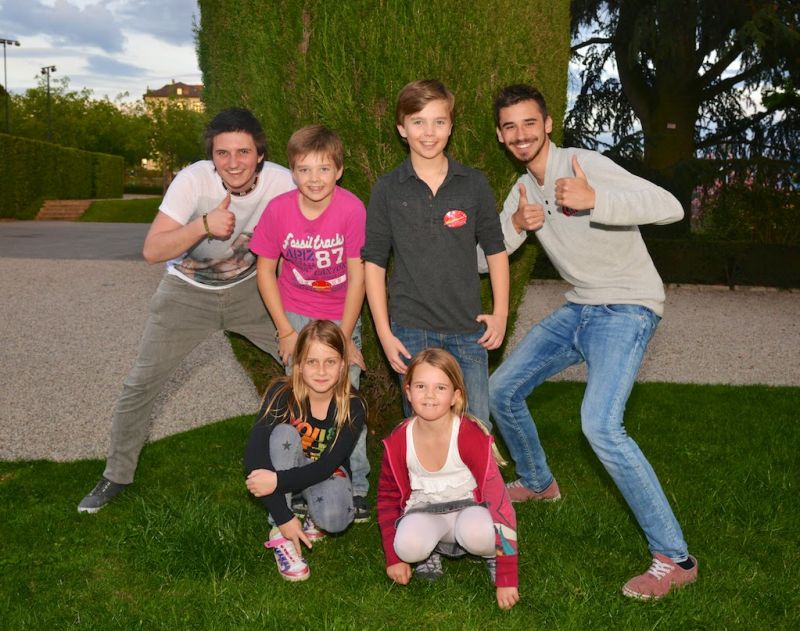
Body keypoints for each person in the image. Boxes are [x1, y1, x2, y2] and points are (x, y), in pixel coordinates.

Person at [485, 84, 697, 599]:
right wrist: (515, 224)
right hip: (579, 307)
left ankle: (676, 558)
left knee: (600, 425)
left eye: (529, 123)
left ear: (547, 124)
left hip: (627, 307)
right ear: (500, 136)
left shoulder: (584, 164)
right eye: (510, 126)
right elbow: (484, 257)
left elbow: (670, 206)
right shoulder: (522, 189)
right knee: (500, 390)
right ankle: (538, 482)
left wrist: (595, 199)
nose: (521, 134)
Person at [78, 108, 295, 513]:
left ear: (260, 154)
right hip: (186, 293)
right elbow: (151, 250)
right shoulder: (192, 181)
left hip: (250, 291)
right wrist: (203, 225)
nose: (233, 162)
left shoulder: (283, 182)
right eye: (223, 153)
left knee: (307, 363)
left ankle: (318, 468)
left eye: (243, 152)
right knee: (140, 384)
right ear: (212, 156)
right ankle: (116, 476)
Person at [362, 79, 509, 427]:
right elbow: (374, 263)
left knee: (475, 428)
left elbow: (496, 250)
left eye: (439, 122)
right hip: (410, 331)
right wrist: (384, 333)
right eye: (418, 122)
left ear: (451, 126)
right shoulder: (387, 189)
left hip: (468, 329)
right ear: (402, 128)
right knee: (422, 430)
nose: (429, 133)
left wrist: (500, 313)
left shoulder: (473, 184)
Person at [249, 124, 370, 522]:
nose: (314, 179)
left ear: (339, 170)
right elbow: (265, 270)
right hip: (296, 313)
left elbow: (358, 275)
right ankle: (295, 479)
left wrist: (346, 336)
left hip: (340, 314)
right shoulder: (278, 210)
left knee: (346, 398)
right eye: (304, 169)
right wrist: (285, 329)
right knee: (299, 400)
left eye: (323, 169)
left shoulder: (351, 209)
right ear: (292, 171)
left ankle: (357, 483)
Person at [377, 348, 519, 610]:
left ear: (456, 396)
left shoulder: (469, 435)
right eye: (421, 386)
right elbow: (387, 500)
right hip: (426, 513)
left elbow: (500, 503)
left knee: (478, 533)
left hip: (470, 512)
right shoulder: (398, 441)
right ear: (408, 392)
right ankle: (427, 552)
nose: (429, 395)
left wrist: (507, 575)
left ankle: (491, 555)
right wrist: (393, 558)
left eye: (440, 388)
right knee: (406, 546)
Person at [244, 320, 366, 582]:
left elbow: (326, 465)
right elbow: (254, 456)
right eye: (312, 362)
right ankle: (280, 533)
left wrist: (276, 482)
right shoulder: (281, 393)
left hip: (322, 473)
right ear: (298, 365)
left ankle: (310, 508)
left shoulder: (353, 406)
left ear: (343, 365)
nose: (321, 371)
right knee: (284, 435)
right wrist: (283, 517)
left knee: (335, 520)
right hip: (288, 463)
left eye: (330, 362)